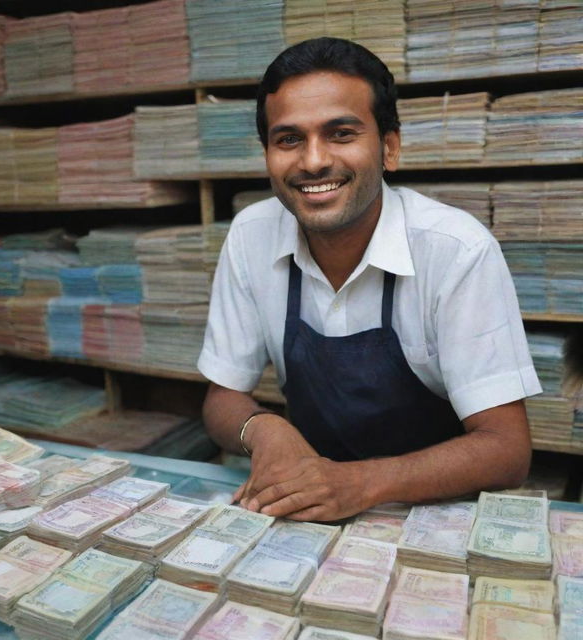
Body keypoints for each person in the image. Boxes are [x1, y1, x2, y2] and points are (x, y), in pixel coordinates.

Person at [197, 37, 541, 522]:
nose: (313, 161)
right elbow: (221, 395)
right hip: (310, 509)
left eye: (341, 133)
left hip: (433, 513)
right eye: (289, 139)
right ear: (267, 155)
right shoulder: (251, 236)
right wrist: (263, 428)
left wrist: (357, 483)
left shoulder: (456, 250)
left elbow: (507, 450)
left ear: (389, 148)